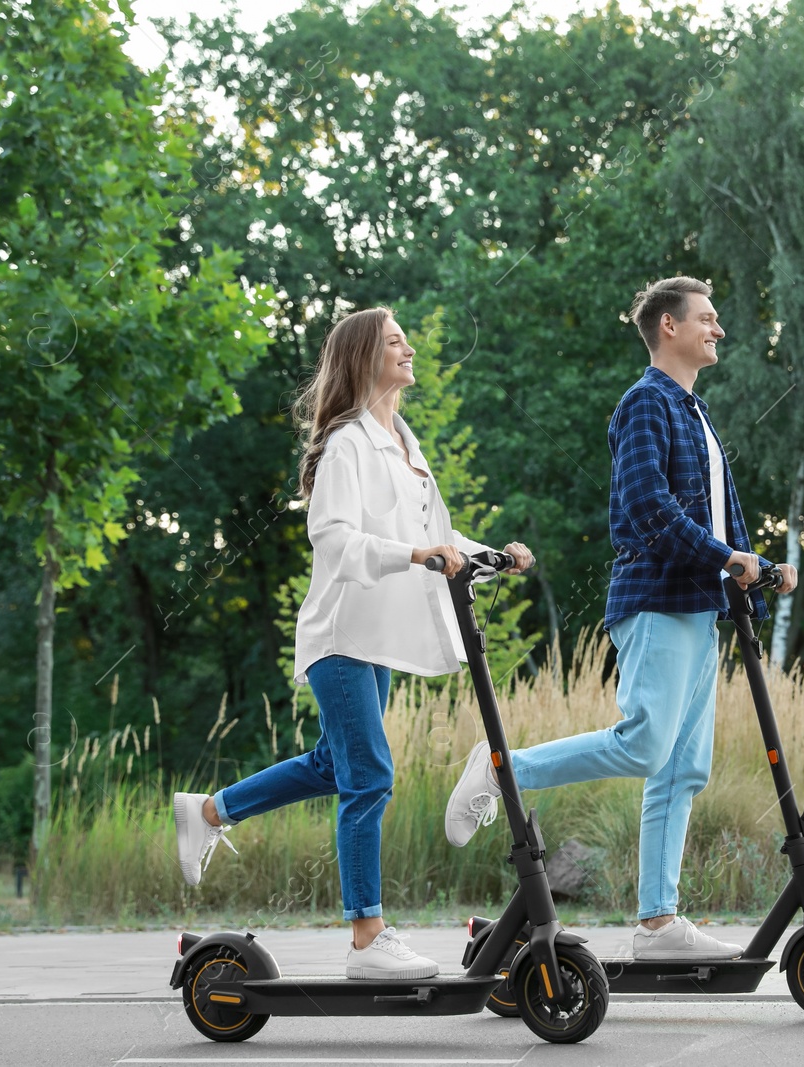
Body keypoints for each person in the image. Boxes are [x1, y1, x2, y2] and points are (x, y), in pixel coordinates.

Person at [171, 307, 533, 980]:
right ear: (365, 355)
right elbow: (333, 538)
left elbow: (439, 537)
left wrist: (493, 555)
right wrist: (413, 552)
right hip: (340, 633)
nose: (410, 347)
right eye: (396, 340)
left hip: (377, 637)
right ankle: (367, 937)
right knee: (370, 776)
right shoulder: (346, 443)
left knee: (336, 766)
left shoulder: (403, 439)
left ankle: (210, 810)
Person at [444, 276, 796, 960]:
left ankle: (658, 924)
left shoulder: (697, 416)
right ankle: (497, 767)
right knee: (644, 743)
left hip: (701, 608)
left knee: (682, 768)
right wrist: (729, 557)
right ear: (669, 326)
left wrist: (754, 578)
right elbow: (647, 507)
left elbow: (724, 523)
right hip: (658, 601)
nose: (718, 329)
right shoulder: (645, 403)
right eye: (708, 318)